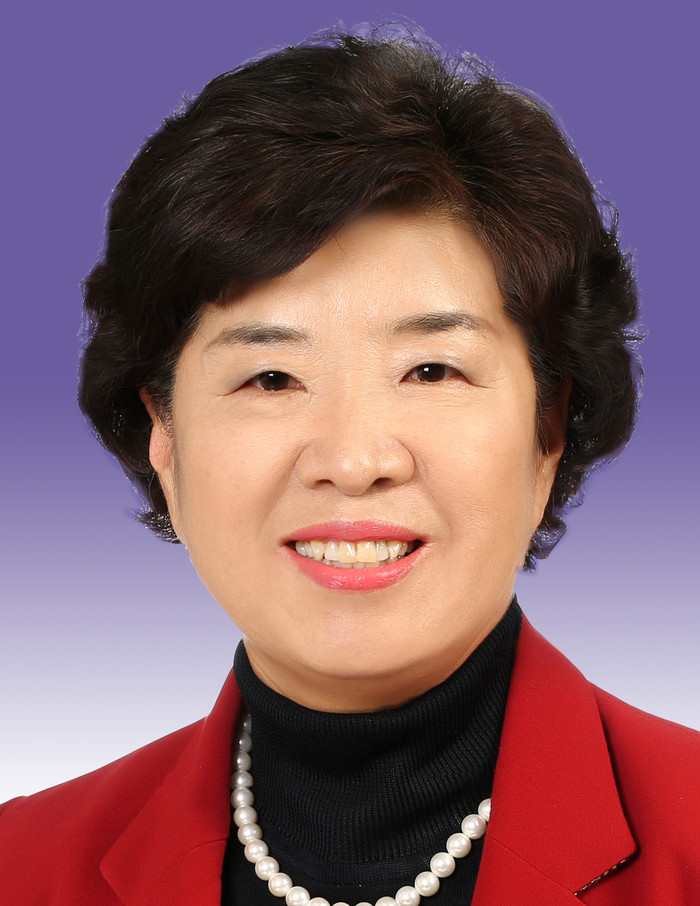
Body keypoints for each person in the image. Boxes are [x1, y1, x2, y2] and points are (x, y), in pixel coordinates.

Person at [1, 23, 698, 905]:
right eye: (270, 378)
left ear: (548, 431)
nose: (355, 459)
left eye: (432, 371)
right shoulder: (22, 866)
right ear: (164, 439)